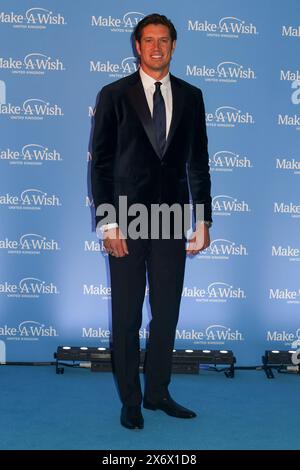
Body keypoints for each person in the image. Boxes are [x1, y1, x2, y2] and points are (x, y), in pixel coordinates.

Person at [91, 13, 212, 430]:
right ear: (137, 47)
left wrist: (204, 219)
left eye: (164, 40)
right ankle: (131, 400)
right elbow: (101, 165)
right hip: (126, 219)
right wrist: (108, 223)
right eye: (149, 40)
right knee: (126, 315)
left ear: (173, 47)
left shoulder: (193, 97)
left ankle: (158, 392)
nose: (157, 47)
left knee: (166, 312)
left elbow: (199, 164)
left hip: (172, 217)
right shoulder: (113, 94)